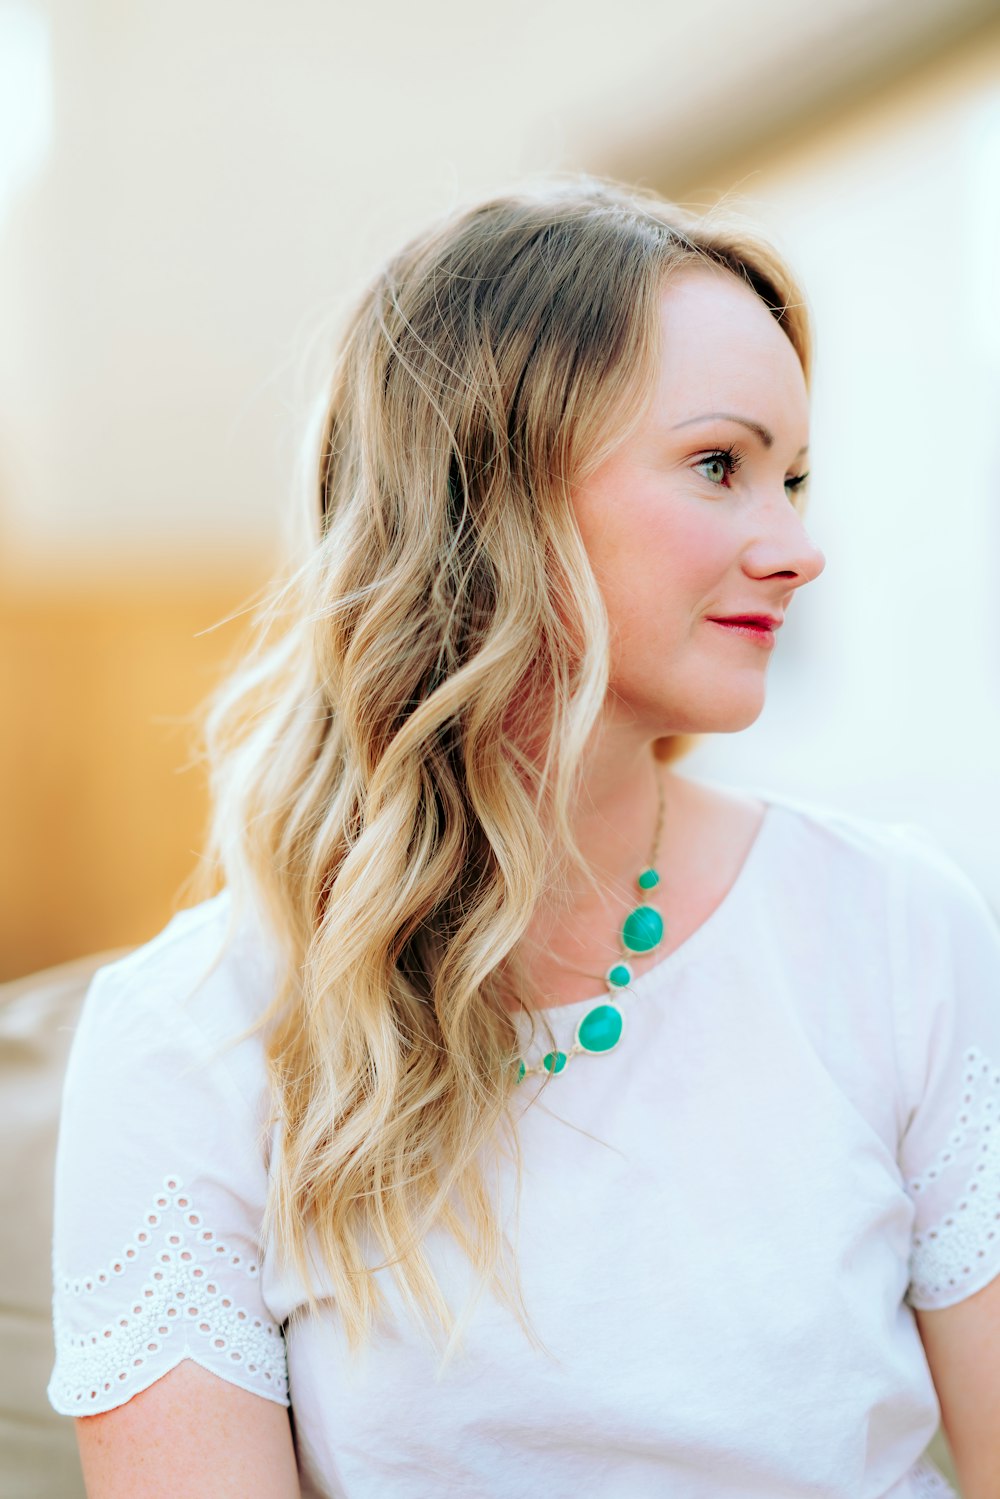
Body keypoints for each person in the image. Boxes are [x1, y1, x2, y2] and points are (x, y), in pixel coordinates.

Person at [47, 177, 1000, 1498]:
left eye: (794, 478)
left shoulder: (899, 928)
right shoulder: (191, 1034)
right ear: (491, 494)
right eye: (722, 465)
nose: (796, 546)